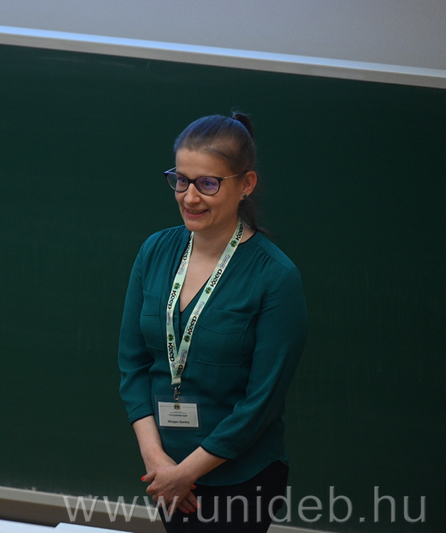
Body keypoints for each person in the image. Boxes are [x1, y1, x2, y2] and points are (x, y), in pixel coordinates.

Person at [117, 113, 307, 533]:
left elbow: (260, 403)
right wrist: (157, 459)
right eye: (180, 180)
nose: (190, 197)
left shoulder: (276, 278)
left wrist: (186, 473)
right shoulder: (155, 251)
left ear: (246, 184)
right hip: (165, 472)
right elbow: (132, 365)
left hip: (240, 481)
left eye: (207, 183)